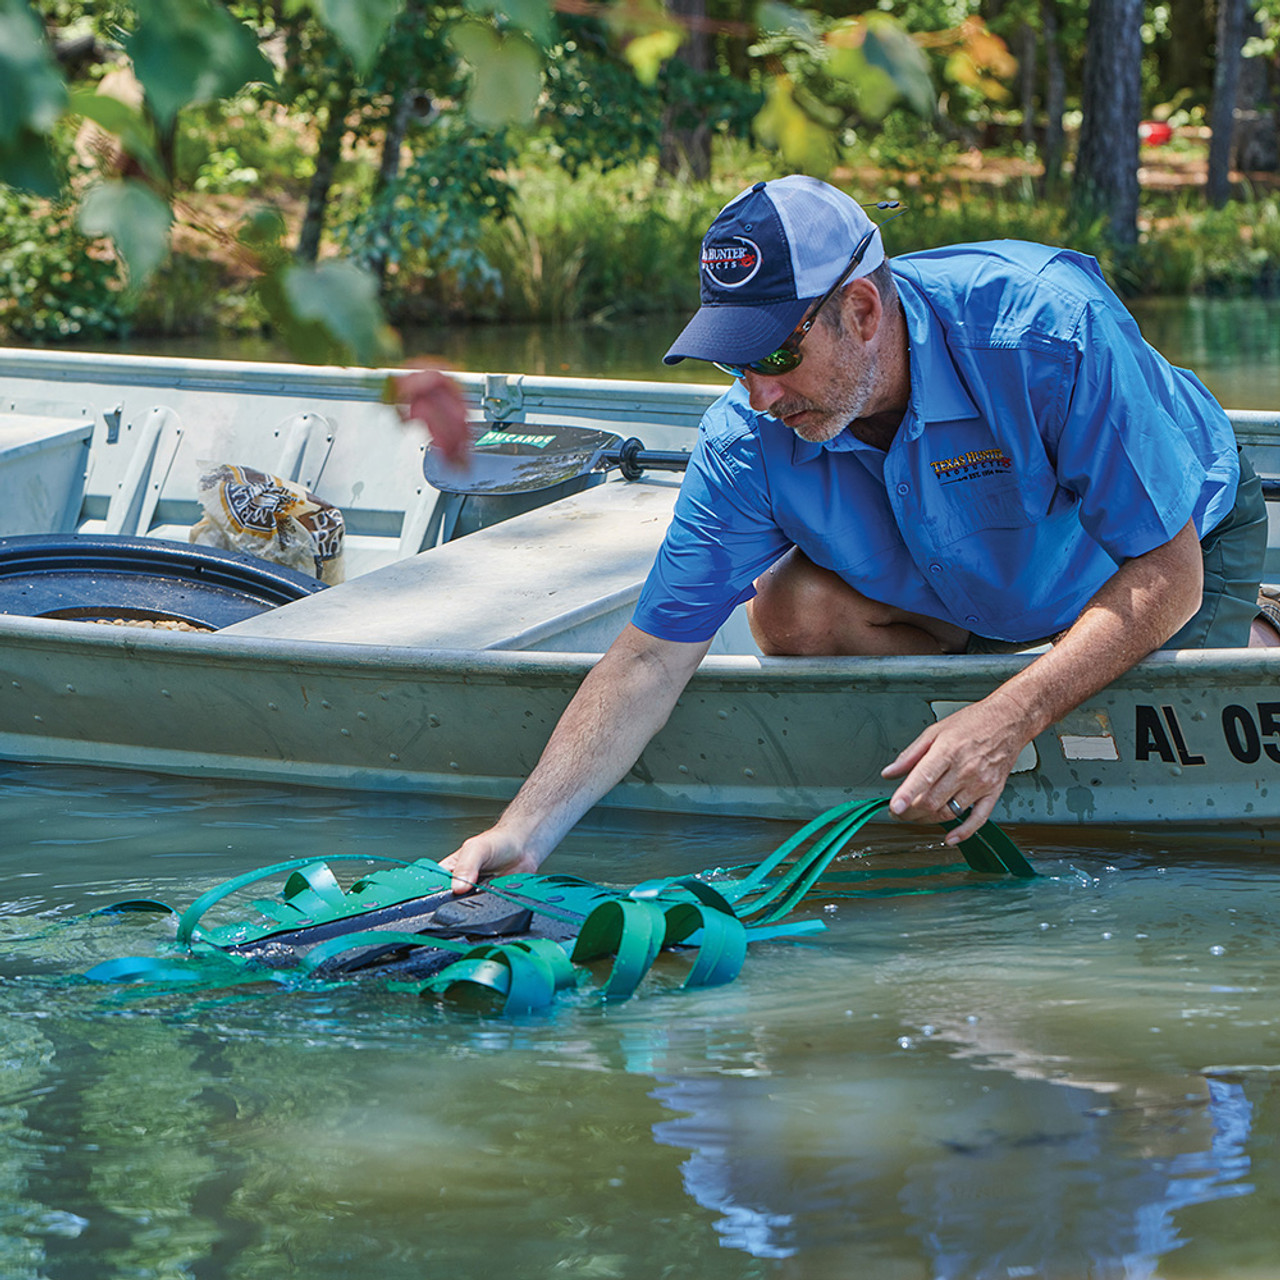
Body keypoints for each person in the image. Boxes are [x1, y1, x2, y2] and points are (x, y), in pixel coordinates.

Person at [397, 175, 1270, 894]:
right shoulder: (747, 438)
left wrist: (1012, 714)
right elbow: (650, 658)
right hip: (979, 579)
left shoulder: (1046, 327)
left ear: (860, 310)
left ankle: (1263, 625)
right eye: (731, 361)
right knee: (791, 610)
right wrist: (524, 829)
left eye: (774, 355)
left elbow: (1167, 570)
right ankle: (999, 683)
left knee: (1143, 816)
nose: (756, 393)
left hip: (1175, 544)